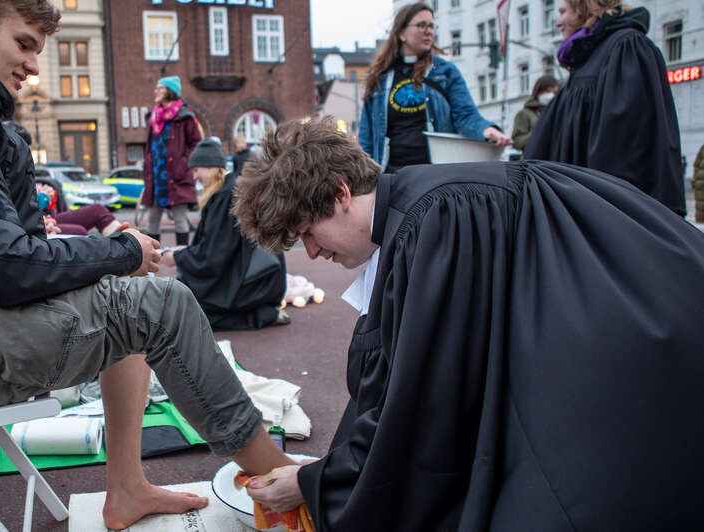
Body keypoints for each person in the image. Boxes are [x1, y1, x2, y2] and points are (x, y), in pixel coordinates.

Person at [0, 1, 293, 529]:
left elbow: (11, 243)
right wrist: (124, 250)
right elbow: (3, 266)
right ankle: (283, 484)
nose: (34, 66)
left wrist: (12, 151)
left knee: (122, 300)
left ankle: (128, 488)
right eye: (23, 44)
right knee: (163, 304)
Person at [230, 117, 704, 531]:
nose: (311, 253)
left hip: (623, 376)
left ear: (341, 193)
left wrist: (315, 483)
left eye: (309, 233)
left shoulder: (432, 220)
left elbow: (427, 402)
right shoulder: (424, 208)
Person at [525, 0, 684, 216]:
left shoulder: (627, 47)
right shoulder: (589, 58)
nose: (558, 22)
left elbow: (624, 150)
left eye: (563, 12)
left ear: (584, 8)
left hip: (610, 216)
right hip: (582, 212)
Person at [358, 2, 510, 172]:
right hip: (392, 175)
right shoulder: (381, 77)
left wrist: (486, 130)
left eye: (431, 26)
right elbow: (367, 137)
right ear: (401, 33)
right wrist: (366, 178)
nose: (428, 31)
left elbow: (465, 115)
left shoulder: (445, 72)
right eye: (421, 25)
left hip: (435, 175)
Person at [160, 137, 287, 330]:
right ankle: (264, 313)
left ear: (210, 167)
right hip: (261, 280)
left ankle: (264, 316)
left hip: (248, 283)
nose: (194, 177)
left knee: (188, 313)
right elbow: (219, 248)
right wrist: (185, 251)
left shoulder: (223, 197)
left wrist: (178, 257)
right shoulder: (232, 190)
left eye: (196, 170)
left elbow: (213, 257)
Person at [140, 75, 201, 246]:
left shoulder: (185, 115)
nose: (156, 91)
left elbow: (196, 143)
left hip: (177, 177)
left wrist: (184, 164)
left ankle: (182, 260)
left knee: (180, 220)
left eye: (160, 88)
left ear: (170, 91)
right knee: (152, 220)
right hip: (156, 178)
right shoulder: (153, 117)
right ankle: (153, 262)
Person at [510, 74, 558, 154]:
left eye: (555, 92)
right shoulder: (524, 114)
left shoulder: (558, 112)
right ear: (538, 92)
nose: (551, 95)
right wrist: (538, 131)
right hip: (535, 160)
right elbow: (516, 142)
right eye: (548, 91)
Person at [694, 143, 704, 223]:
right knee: (700, 216)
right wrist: (694, 182)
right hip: (700, 187)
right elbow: (696, 165)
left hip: (699, 185)